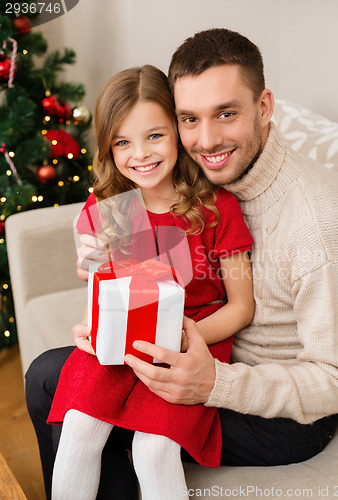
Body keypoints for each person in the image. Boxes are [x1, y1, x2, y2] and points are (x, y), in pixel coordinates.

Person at [26, 28, 338, 499]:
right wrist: (105, 310)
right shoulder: (205, 177)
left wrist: (211, 382)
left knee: (90, 410)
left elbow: (335, 383)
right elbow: (150, 259)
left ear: (264, 107)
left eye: (226, 113)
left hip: (278, 412)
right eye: (189, 119)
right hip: (190, 348)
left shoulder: (324, 223)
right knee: (49, 375)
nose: (206, 139)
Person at [46, 65, 254, 500]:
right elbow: (100, 285)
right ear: (108, 146)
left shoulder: (218, 209)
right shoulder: (109, 205)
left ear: (178, 132)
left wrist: (181, 337)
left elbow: (241, 306)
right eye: (123, 142)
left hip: (190, 338)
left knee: (155, 450)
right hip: (123, 336)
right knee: (78, 429)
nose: (140, 153)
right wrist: (95, 320)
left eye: (154, 135)